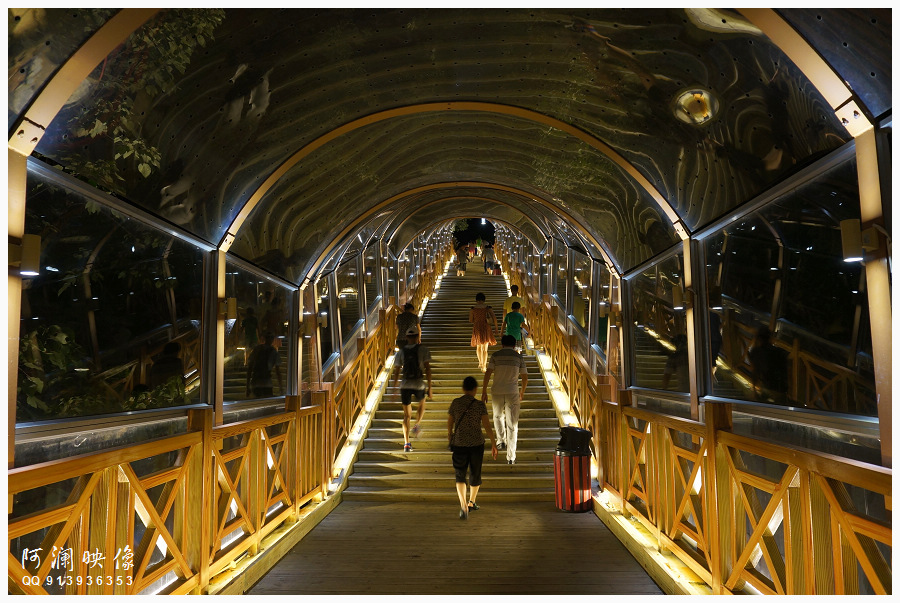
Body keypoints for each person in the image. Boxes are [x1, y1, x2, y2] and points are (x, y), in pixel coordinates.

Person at [448, 376, 498, 520]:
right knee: (475, 473)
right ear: (475, 389)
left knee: (460, 474)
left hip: (459, 443)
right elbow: (487, 425)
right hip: (476, 444)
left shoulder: (456, 403)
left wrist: (450, 436)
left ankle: (463, 506)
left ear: (463, 388)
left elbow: (450, 422)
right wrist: (493, 443)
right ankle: (471, 502)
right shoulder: (479, 405)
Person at [481, 335, 527, 464]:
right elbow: (525, 377)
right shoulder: (518, 357)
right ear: (514, 345)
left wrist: (484, 390)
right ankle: (511, 457)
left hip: (497, 391)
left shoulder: (495, 355)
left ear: (502, 345)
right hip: (512, 392)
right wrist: (522, 391)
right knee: (512, 425)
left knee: (497, 416)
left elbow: (488, 373)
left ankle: (501, 440)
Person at [391, 325, 433, 451]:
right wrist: (430, 387)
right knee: (422, 403)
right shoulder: (423, 349)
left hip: (405, 385)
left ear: (406, 337)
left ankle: (407, 444)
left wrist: (394, 388)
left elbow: (397, 371)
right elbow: (428, 369)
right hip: (418, 383)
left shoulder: (401, 352)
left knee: (406, 416)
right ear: (417, 336)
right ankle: (417, 425)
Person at [748, 325, 789, 403]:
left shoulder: (756, 352)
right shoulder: (779, 352)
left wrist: (754, 390)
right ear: (770, 338)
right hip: (781, 390)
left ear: (758, 338)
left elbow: (755, 372)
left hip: (767, 387)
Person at [246, 332, 283, 397]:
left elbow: (250, 368)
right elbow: (278, 371)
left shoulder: (257, 349)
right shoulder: (273, 352)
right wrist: (281, 387)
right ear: (272, 340)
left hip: (256, 382)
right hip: (266, 382)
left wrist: (247, 386)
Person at [469, 292, 499, 372]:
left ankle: (480, 363)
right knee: (485, 349)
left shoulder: (473, 309)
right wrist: (496, 328)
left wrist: (477, 320)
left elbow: (470, 320)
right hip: (486, 327)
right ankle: (484, 366)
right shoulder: (488, 308)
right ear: (484, 299)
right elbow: (494, 318)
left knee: (478, 347)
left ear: (476, 300)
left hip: (477, 328)